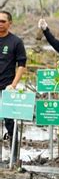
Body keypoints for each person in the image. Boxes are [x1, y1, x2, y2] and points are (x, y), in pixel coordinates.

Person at [0, 11, 26, 162]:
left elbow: (21, 65)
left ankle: (14, 156)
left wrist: (14, 84)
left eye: (3, 21)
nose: (0, 23)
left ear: (10, 23)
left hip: (7, 87)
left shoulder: (16, 42)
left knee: (10, 122)